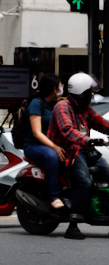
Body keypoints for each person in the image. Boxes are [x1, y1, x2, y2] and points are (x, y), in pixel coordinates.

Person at [47, 72, 109, 240]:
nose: (91, 95)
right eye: (88, 92)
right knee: (84, 182)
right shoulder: (62, 107)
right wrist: (88, 140)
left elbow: (101, 122)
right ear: (80, 93)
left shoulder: (85, 109)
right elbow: (68, 131)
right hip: (68, 152)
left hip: (85, 150)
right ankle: (73, 224)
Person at [21, 74, 67, 213]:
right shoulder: (37, 103)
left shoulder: (56, 104)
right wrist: (54, 147)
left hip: (52, 144)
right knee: (51, 156)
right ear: (54, 89)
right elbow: (37, 132)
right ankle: (54, 197)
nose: (61, 89)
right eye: (60, 87)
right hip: (34, 146)